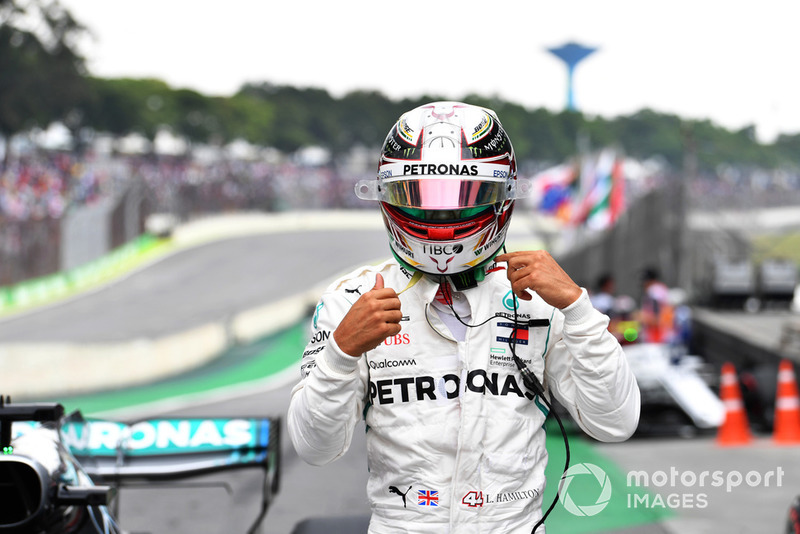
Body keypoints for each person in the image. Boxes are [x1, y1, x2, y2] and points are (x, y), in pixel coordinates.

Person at [287, 101, 640, 534]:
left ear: (501, 198)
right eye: (420, 198)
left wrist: (578, 309)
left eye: (463, 199)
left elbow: (616, 422)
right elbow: (313, 448)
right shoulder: (351, 300)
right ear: (388, 196)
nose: (441, 218)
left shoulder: (541, 294)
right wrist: (340, 353)